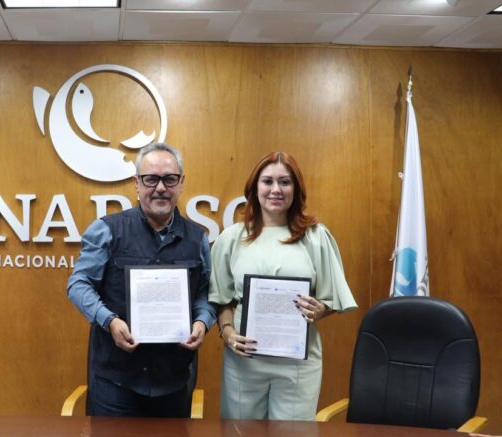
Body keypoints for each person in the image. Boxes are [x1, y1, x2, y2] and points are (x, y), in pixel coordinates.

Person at [67, 142, 216, 417]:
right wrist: (109, 321)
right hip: (115, 382)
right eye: (151, 179)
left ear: (181, 183)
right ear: (136, 183)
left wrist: (202, 322)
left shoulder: (198, 238)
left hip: (173, 383)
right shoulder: (107, 230)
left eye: (169, 179)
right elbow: (78, 284)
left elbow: (204, 293)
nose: (160, 188)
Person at [210, 151, 357, 420]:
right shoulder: (230, 238)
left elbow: (332, 299)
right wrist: (227, 332)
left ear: (296, 189)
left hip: (297, 363)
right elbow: (222, 298)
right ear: (255, 188)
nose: (276, 189)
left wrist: (319, 309)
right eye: (268, 181)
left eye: (285, 182)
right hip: (244, 361)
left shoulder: (316, 236)